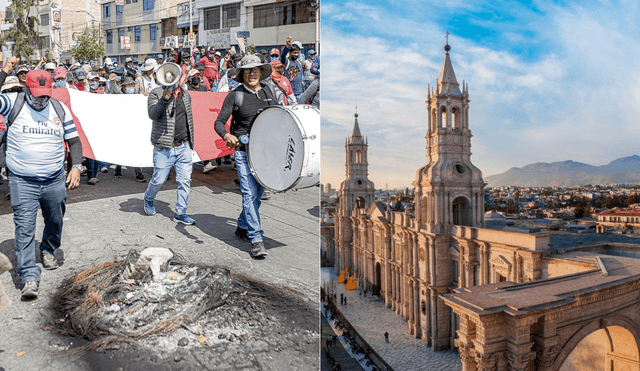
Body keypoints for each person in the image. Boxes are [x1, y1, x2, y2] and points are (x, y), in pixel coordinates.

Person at [0, 60, 82, 299]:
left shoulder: (59, 108)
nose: (41, 100)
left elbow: (74, 141)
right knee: (24, 228)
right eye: (37, 95)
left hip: (54, 179)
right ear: (26, 88)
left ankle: (47, 249)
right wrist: (4, 71)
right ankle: (28, 275)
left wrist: (76, 166)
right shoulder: (11, 103)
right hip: (22, 181)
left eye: (45, 95)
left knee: (55, 219)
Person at [215, 55, 281, 259]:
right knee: (249, 194)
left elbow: (279, 117)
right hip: (244, 153)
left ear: (261, 72)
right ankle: (256, 239)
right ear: (242, 74)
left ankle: (242, 226)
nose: (251, 74)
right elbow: (219, 122)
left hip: (265, 153)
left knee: (258, 194)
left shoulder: (269, 92)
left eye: (255, 70)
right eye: (247, 70)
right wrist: (227, 135)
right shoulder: (235, 95)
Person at [143, 69, 196, 225]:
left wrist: (191, 142)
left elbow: (188, 119)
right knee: (159, 179)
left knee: (185, 180)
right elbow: (152, 114)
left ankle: (180, 213)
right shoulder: (155, 94)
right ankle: (148, 198)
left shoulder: (185, 95)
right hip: (164, 147)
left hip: (184, 146)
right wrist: (164, 100)